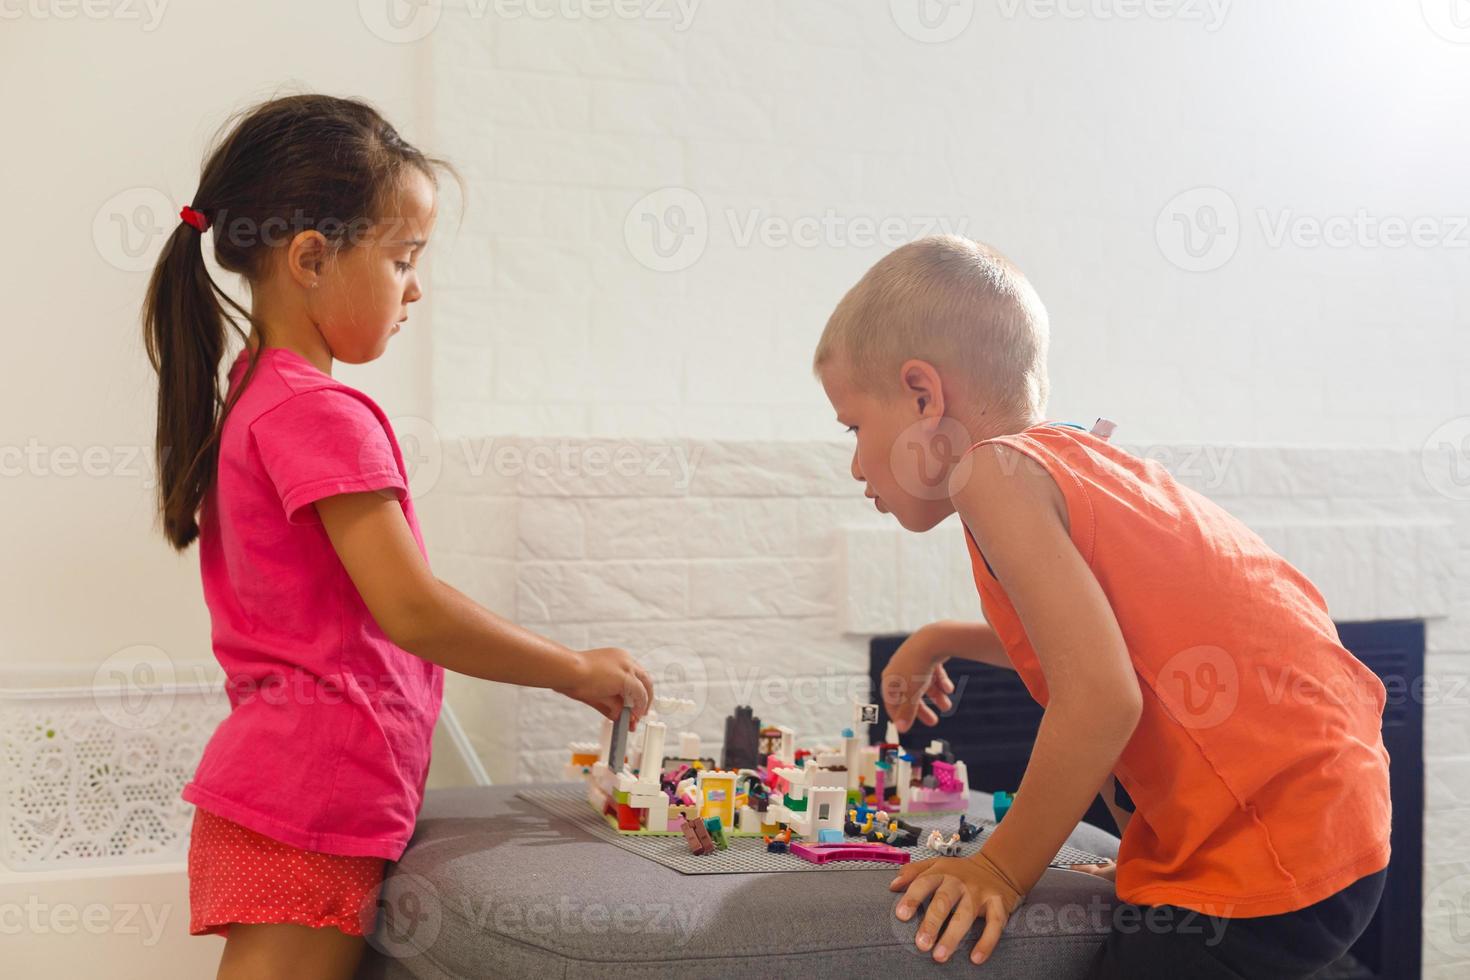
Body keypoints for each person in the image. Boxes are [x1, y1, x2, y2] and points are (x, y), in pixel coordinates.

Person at [141, 92, 654, 980]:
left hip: (286, 786)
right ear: (310, 258)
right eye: (404, 258)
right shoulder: (318, 411)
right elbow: (412, 608)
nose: (416, 287)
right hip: (310, 792)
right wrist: (576, 671)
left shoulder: (256, 389)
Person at [812, 235, 1390, 977]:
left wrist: (1000, 869)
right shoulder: (1077, 459)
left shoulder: (989, 474)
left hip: (1266, 851)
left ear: (924, 396)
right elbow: (1115, 643)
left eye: (855, 426)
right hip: (1330, 819)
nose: (857, 463)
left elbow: (1100, 698)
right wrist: (940, 638)